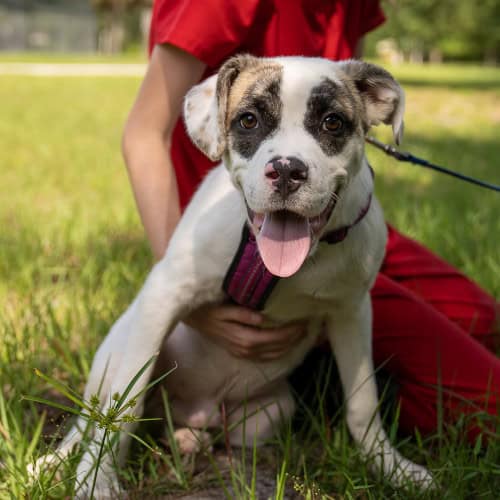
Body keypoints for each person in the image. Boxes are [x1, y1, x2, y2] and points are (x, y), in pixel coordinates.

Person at [122, 0, 499, 441]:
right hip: (242, 234)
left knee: (484, 320)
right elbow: (144, 132)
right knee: (487, 404)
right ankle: (348, 388)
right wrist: (189, 292)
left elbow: (348, 104)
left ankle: (326, 372)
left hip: (344, 218)